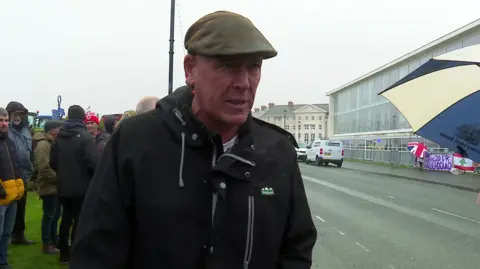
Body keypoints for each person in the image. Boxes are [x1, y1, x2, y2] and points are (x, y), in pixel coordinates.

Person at [70, 11, 317, 269]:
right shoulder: (135, 141)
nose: (244, 83)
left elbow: (296, 249)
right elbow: (96, 252)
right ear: (190, 70)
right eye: (228, 66)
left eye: (254, 67)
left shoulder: (278, 152)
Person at [50, 105, 98, 263]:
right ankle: (77, 251)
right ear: (82, 118)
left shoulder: (59, 136)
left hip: (63, 185)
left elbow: (53, 162)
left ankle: (64, 252)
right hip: (82, 185)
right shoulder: (85, 136)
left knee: (66, 217)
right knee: (79, 220)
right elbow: (94, 162)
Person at [5, 101, 35, 245]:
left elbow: (30, 153)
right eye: (16, 114)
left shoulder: (26, 130)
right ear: (9, 114)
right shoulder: (4, 130)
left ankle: (19, 236)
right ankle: (6, 238)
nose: (18, 117)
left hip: (23, 177)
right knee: (6, 209)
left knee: (21, 208)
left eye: (21, 115)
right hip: (7, 177)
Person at [33, 120, 64, 254]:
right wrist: (60, 178)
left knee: (55, 215)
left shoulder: (51, 143)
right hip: (48, 186)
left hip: (54, 186)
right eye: (59, 129)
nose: (61, 132)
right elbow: (44, 168)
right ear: (53, 130)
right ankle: (47, 245)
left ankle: (53, 241)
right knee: (49, 216)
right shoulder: (43, 145)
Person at [0, 107, 25, 269]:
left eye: (6, 120)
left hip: (14, 193)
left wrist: (20, 185)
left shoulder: (9, 140)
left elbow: (16, 165)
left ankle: (2, 261)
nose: (4, 124)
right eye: (1, 121)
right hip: (1, 196)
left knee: (7, 233)